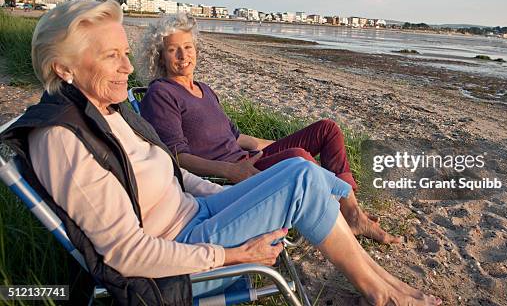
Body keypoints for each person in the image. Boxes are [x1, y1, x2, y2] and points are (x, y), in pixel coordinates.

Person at [2, 0, 440, 305]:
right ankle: (382, 292)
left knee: (297, 173)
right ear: (64, 68)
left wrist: (235, 194)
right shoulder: (62, 139)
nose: (128, 66)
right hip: (179, 253)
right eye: (112, 56)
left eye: (125, 53)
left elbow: (170, 171)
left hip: (196, 214)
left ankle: (379, 277)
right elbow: (126, 256)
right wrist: (234, 256)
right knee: (301, 176)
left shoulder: (104, 110)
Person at [137, 13, 401, 244]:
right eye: (173, 50)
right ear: (159, 56)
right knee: (298, 156)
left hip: (248, 159)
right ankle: (347, 216)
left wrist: (278, 147)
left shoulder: (204, 90)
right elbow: (175, 157)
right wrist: (231, 170)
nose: (183, 56)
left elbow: (237, 137)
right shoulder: (162, 93)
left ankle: (350, 207)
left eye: (187, 46)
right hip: (236, 173)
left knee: (326, 129)